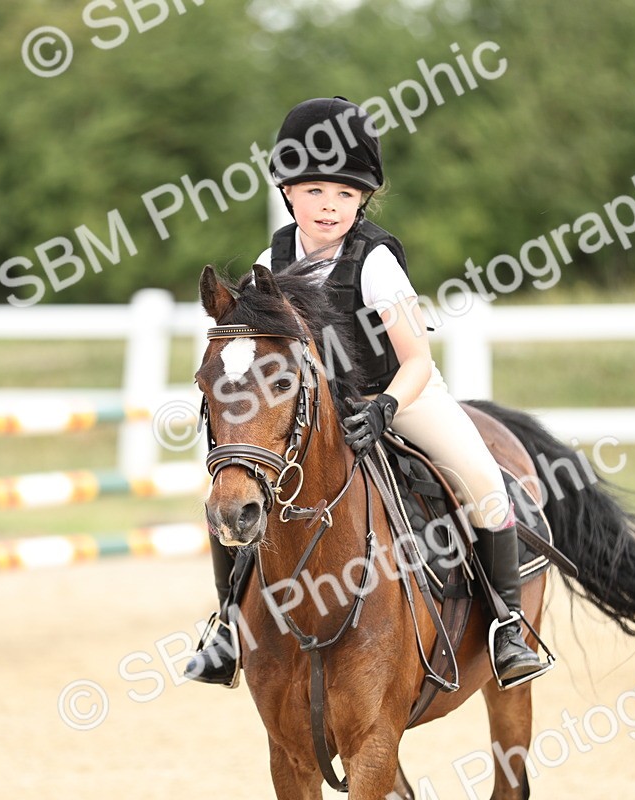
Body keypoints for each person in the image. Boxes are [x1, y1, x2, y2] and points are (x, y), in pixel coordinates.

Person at [185, 96, 543, 688]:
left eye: (346, 195)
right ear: (288, 192)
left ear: (363, 199)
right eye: (315, 192)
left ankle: (507, 623)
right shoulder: (269, 259)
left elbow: (418, 360)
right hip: (318, 409)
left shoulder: (375, 261)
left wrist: (384, 409)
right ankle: (227, 627)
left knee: (482, 478)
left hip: (399, 393)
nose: (330, 206)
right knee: (232, 492)